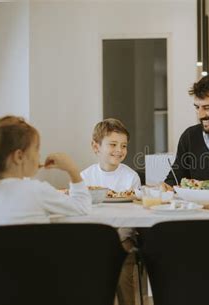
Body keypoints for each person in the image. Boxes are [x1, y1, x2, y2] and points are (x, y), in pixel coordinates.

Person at [0, 116, 91, 226]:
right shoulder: (37, 191)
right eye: (36, 149)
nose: (39, 155)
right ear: (19, 157)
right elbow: (82, 207)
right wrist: (72, 169)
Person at [81, 118, 142, 305]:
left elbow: (135, 214)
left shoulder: (131, 177)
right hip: (95, 235)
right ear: (96, 147)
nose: (119, 150)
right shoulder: (85, 177)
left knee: (123, 266)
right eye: (113, 144)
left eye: (124, 146)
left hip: (124, 236)